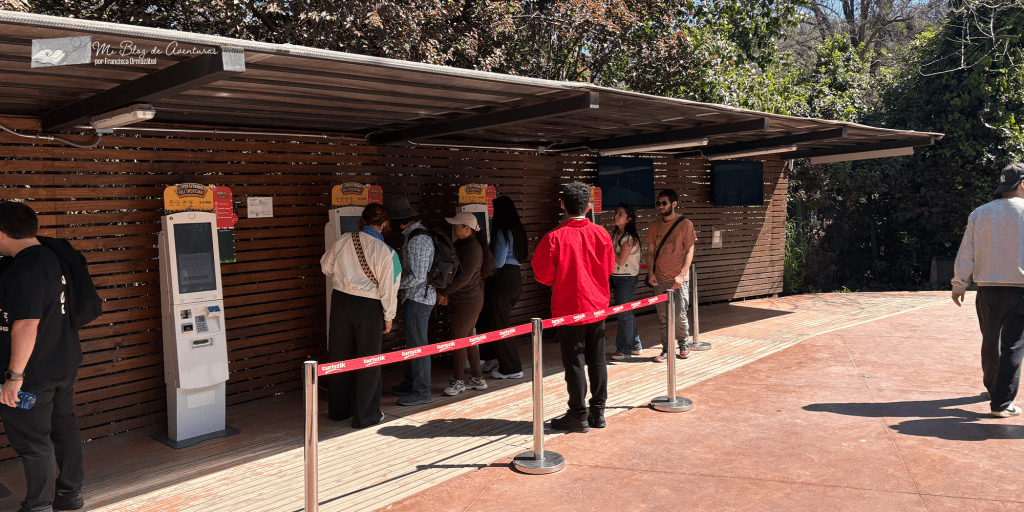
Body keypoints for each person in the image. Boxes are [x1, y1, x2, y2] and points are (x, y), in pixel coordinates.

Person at [0, 201, 86, 512]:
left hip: (32, 373)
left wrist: (14, 376)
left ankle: (37, 506)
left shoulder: (26, 267)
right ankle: (70, 496)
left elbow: (26, 323)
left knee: (33, 442)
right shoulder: (54, 256)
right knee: (64, 428)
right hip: (62, 362)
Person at [532, 182, 616, 432]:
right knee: (598, 359)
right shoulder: (602, 233)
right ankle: (598, 413)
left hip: (568, 309)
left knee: (575, 363)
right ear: (588, 206)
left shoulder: (554, 237)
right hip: (598, 306)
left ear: (563, 206)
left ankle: (578, 414)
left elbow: (543, 275)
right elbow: (610, 268)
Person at [952, 163, 1024, 418]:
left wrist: (960, 283)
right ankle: (1002, 403)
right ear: (1022, 184)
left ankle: (993, 387)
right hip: (1020, 290)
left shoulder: (980, 213)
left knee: (990, 339)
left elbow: (966, 252)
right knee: (1013, 345)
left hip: (988, 289)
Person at [321, 203, 401, 428]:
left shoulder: (344, 240)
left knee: (340, 357)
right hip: (369, 307)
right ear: (384, 224)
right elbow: (390, 286)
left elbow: (325, 267)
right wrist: (389, 315)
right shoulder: (388, 253)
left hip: (340, 301)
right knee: (369, 360)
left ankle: (338, 411)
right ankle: (366, 416)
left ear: (362, 220)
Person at [386, 196, 437, 406]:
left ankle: (422, 390)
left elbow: (417, 276)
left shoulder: (417, 239)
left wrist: (393, 285)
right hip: (417, 298)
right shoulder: (414, 235)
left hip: (418, 299)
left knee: (418, 345)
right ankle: (411, 383)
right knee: (413, 343)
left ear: (402, 220)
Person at [439, 212, 494, 396]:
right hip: (466, 298)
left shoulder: (472, 248)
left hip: (468, 300)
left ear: (467, 229)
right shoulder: (465, 244)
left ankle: (458, 381)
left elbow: (464, 278)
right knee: (468, 338)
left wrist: (445, 292)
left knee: (458, 340)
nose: (453, 229)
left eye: (456, 226)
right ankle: (477, 378)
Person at [478, 196, 528, 379]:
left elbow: (498, 262)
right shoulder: (518, 230)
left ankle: (512, 368)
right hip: (515, 278)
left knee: (500, 326)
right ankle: (492, 358)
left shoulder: (502, 231)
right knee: (494, 321)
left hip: (502, 280)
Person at [645, 189, 696, 362]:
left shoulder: (685, 224)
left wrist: (681, 275)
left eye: (664, 203)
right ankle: (666, 348)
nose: (660, 206)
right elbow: (650, 251)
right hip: (659, 278)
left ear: (674, 204)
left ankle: (683, 344)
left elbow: (690, 251)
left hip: (678, 279)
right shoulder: (654, 225)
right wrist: (650, 273)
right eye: (658, 203)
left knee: (680, 315)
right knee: (663, 317)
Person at [608, 203, 643, 360]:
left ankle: (624, 349)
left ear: (629, 219)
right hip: (617, 277)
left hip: (626, 278)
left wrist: (605, 252)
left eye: (620, 214)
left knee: (623, 314)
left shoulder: (629, 239)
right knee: (626, 313)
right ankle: (635, 345)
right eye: (616, 213)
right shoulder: (616, 235)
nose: (616, 216)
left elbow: (621, 261)